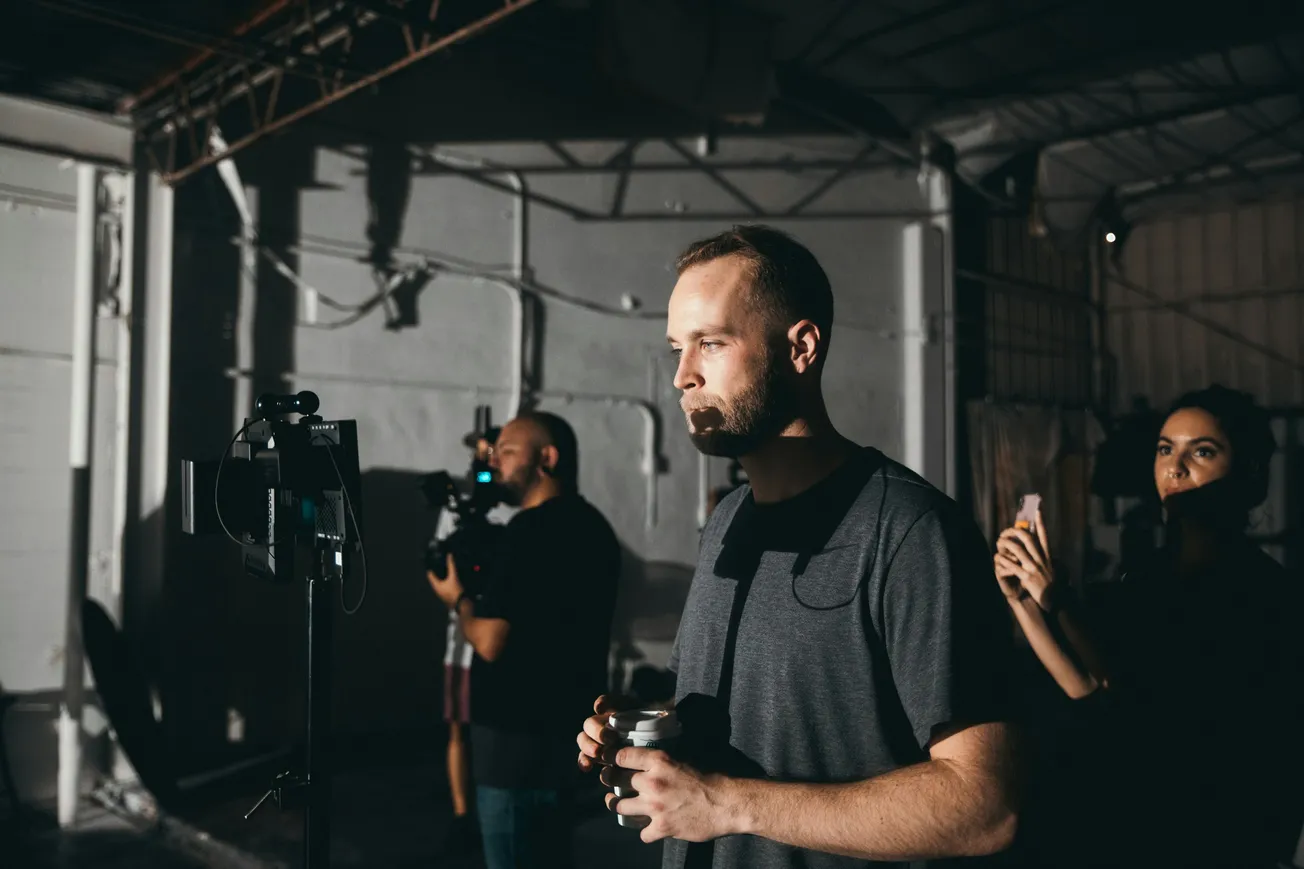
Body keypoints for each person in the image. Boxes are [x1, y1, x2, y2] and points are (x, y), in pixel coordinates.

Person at [577, 225, 1020, 869]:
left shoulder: (909, 530)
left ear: (801, 348)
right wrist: (648, 733)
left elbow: (985, 805)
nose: (682, 376)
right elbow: (772, 717)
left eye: (711, 343)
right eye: (677, 347)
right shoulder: (727, 521)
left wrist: (728, 804)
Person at [994, 384, 1304, 868]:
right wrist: (1024, 602)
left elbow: (1130, 681)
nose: (1175, 467)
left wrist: (1056, 596)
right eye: (1165, 449)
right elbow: (1089, 686)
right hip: (1136, 822)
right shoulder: (1144, 576)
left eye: (1202, 451)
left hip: (1218, 832)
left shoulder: (1259, 590)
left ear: (1249, 472)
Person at [429, 411, 621, 869]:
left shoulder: (527, 532)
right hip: (564, 741)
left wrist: (456, 599)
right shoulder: (596, 528)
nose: (495, 463)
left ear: (546, 458)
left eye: (509, 451)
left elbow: (491, 640)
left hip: (513, 750)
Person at [433, 428, 517, 853]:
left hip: (501, 636)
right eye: (483, 455)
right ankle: (463, 815)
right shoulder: (458, 509)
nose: (488, 463)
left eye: (496, 453)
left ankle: (490, 814)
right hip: (462, 637)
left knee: (493, 731)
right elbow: (440, 562)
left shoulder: (514, 513)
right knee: (457, 730)